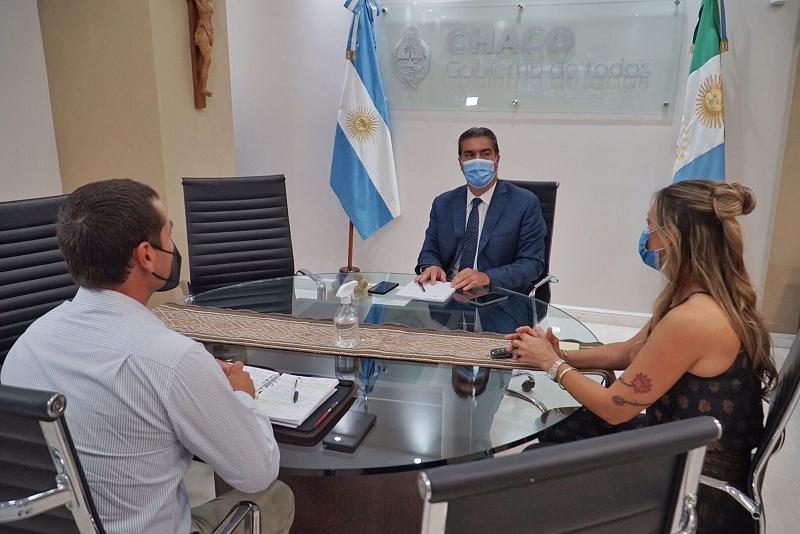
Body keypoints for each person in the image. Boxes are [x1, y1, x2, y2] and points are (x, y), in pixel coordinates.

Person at [0, 179, 294, 534]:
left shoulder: (26, 345)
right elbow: (257, 472)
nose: (173, 246)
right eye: (168, 235)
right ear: (147, 255)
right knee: (277, 496)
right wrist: (242, 394)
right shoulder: (174, 360)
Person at [506, 179, 777, 533]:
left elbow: (614, 408)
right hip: (682, 447)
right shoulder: (701, 294)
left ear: (672, 237)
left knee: (534, 466)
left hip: (693, 483)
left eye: (650, 227)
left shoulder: (692, 319)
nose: (646, 240)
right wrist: (561, 354)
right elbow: (632, 351)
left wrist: (552, 365)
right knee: (564, 428)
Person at [415, 127, 547, 294]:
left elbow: (532, 264)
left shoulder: (524, 203)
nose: (477, 161)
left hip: (498, 295)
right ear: (461, 163)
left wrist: (487, 277)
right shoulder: (443, 203)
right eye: (470, 155)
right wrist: (430, 266)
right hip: (447, 292)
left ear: (497, 160)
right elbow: (430, 250)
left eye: (485, 154)